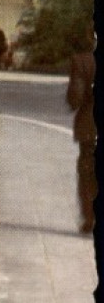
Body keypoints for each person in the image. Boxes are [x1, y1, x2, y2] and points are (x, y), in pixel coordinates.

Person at [67, 41, 95, 233]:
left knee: (87, 171)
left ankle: (89, 218)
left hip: (90, 127)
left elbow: (75, 97)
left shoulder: (83, 61)